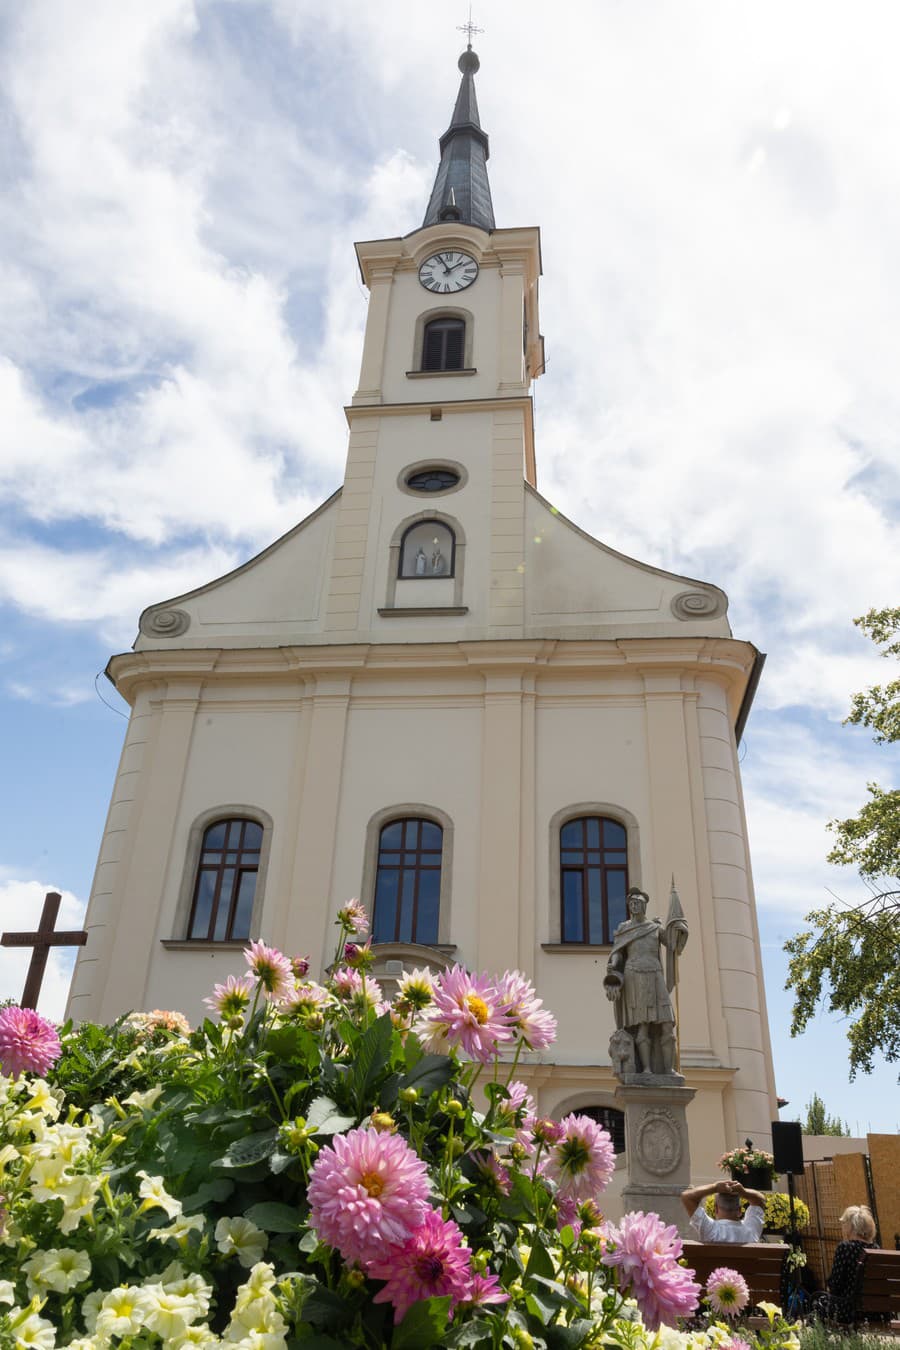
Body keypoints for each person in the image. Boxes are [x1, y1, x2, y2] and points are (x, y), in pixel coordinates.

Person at [604, 885, 688, 1076]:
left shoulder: (654, 927)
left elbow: (672, 943)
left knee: (667, 1023)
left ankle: (669, 1069)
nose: (635, 907)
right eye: (632, 903)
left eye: (638, 903)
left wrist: (679, 927)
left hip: (655, 974)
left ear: (645, 906)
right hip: (634, 975)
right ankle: (647, 1069)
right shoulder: (625, 929)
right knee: (642, 1026)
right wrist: (613, 965)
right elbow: (618, 953)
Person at [811, 1205, 878, 1325]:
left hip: (848, 1310)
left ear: (850, 1227)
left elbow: (835, 1284)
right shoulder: (876, 1250)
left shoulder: (845, 1248)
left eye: (844, 1224)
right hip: (876, 1311)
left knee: (817, 1301)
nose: (842, 1228)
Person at [680, 1178, 766, 1243]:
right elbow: (760, 1199)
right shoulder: (750, 1230)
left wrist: (714, 1187)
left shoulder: (710, 1230)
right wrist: (743, 1191)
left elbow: (687, 1196)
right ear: (740, 1210)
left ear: (716, 1209)